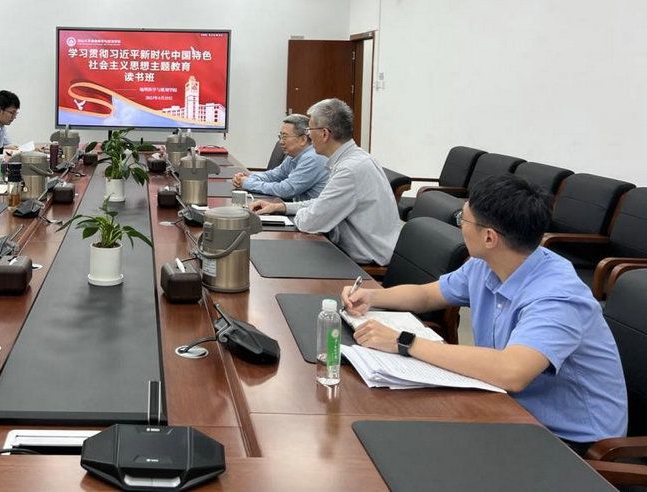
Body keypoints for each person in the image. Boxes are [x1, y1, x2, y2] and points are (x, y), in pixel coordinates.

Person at [341, 175, 627, 451]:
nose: (460, 226)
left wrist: (404, 342)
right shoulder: (488, 262)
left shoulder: (557, 296)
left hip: (570, 439)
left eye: (463, 220)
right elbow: (428, 294)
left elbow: (512, 371)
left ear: (489, 237)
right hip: (506, 405)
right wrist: (372, 296)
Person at [251, 98, 401, 265]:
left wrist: (302, 213)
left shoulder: (350, 170)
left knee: (275, 259)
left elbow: (310, 222)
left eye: (310, 129)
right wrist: (281, 207)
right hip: (350, 250)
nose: (308, 135)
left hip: (364, 261)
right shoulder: (354, 159)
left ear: (324, 134)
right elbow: (323, 203)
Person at [232, 114, 328, 200]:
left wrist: (247, 183)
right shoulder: (294, 156)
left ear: (303, 139)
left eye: (285, 137)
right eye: (280, 137)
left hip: (309, 212)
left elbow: (285, 190)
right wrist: (247, 177)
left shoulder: (313, 158)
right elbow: (273, 175)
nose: (281, 142)